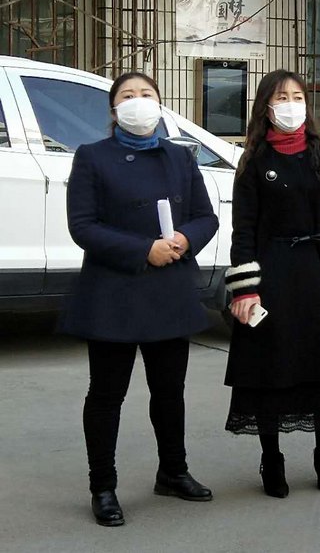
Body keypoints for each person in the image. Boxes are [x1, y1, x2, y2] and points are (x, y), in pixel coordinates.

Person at [63, 72, 219, 527]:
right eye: (127, 95)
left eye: (146, 94)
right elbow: (83, 226)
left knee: (169, 390)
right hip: (114, 292)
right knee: (107, 394)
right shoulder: (92, 156)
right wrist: (142, 249)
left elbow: (205, 217)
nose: (138, 101)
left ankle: (173, 471)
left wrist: (185, 240)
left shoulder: (179, 156)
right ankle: (103, 486)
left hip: (169, 289)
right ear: (114, 110)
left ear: (159, 103)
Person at [224, 70, 320, 499]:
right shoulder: (253, 161)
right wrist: (246, 288)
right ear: (266, 106)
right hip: (272, 274)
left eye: (297, 96)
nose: (291, 104)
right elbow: (243, 229)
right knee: (271, 365)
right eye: (282, 97)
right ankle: (272, 457)